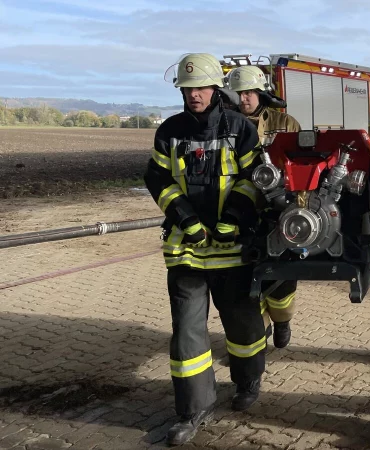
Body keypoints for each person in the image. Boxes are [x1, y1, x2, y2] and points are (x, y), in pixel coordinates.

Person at [144, 53, 265, 446]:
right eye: (187, 88)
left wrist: (232, 216)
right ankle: (193, 410)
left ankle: (248, 381)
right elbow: (158, 178)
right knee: (187, 334)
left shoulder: (240, 129)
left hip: (232, 250)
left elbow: (254, 177)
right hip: (187, 251)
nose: (193, 94)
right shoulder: (170, 131)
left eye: (200, 87)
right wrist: (185, 219)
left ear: (216, 89)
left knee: (243, 325)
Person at [228, 64, 301, 348]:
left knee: (282, 281)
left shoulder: (286, 123)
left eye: (249, 92)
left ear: (261, 93)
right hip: (239, 211)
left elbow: (300, 167)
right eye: (238, 93)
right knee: (245, 280)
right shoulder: (225, 124)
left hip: (279, 211)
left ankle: (282, 318)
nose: (243, 98)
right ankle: (260, 331)